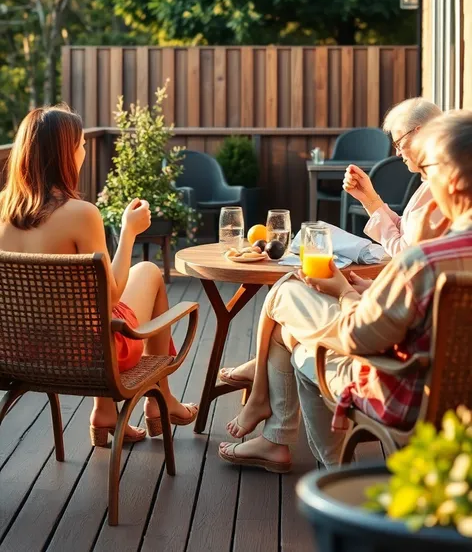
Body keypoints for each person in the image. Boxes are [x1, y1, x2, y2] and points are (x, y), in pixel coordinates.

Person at [218, 110, 472, 472]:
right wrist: (373, 289)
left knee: (298, 334)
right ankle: (275, 426)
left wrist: (343, 291)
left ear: (453, 183)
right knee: (290, 309)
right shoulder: (427, 263)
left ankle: (334, 471)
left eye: (434, 172)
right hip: (455, 391)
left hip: (408, 393)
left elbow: (359, 338)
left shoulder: (424, 263)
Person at [0, 105, 197, 446]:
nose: (83, 152)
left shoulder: (2, 208)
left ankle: (107, 413)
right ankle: (160, 402)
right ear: (63, 154)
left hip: (18, 355)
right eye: (80, 145)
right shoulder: (81, 214)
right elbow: (113, 296)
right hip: (88, 358)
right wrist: (128, 233)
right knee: (147, 271)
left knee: (86, 313)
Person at [343, 97, 446, 257]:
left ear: (420, 134)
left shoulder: (442, 185)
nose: (397, 153)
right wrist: (368, 197)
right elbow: (406, 230)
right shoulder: (432, 179)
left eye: (398, 143)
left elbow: (405, 254)